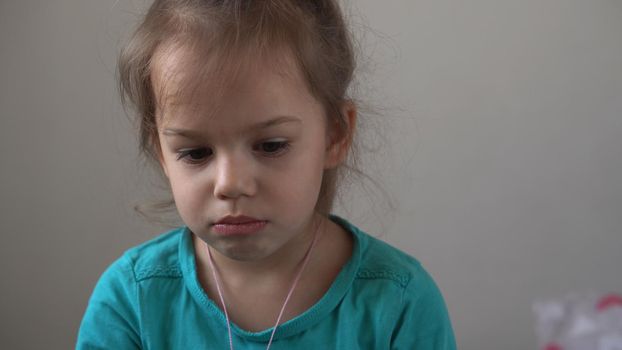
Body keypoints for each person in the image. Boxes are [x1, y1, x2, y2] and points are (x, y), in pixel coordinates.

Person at [76, 0, 456, 349]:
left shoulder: (400, 304)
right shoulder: (131, 301)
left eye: (270, 145)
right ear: (161, 152)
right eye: (195, 152)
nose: (230, 183)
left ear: (335, 134)